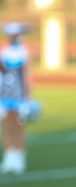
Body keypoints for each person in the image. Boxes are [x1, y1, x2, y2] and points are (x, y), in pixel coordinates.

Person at [0, 22, 31, 174]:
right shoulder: (4, 52)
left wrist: (27, 97)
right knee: (7, 126)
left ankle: (19, 157)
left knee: (18, 127)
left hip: (19, 95)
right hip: (5, 95)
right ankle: (9, 157)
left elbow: (26, 76)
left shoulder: (24, 52)